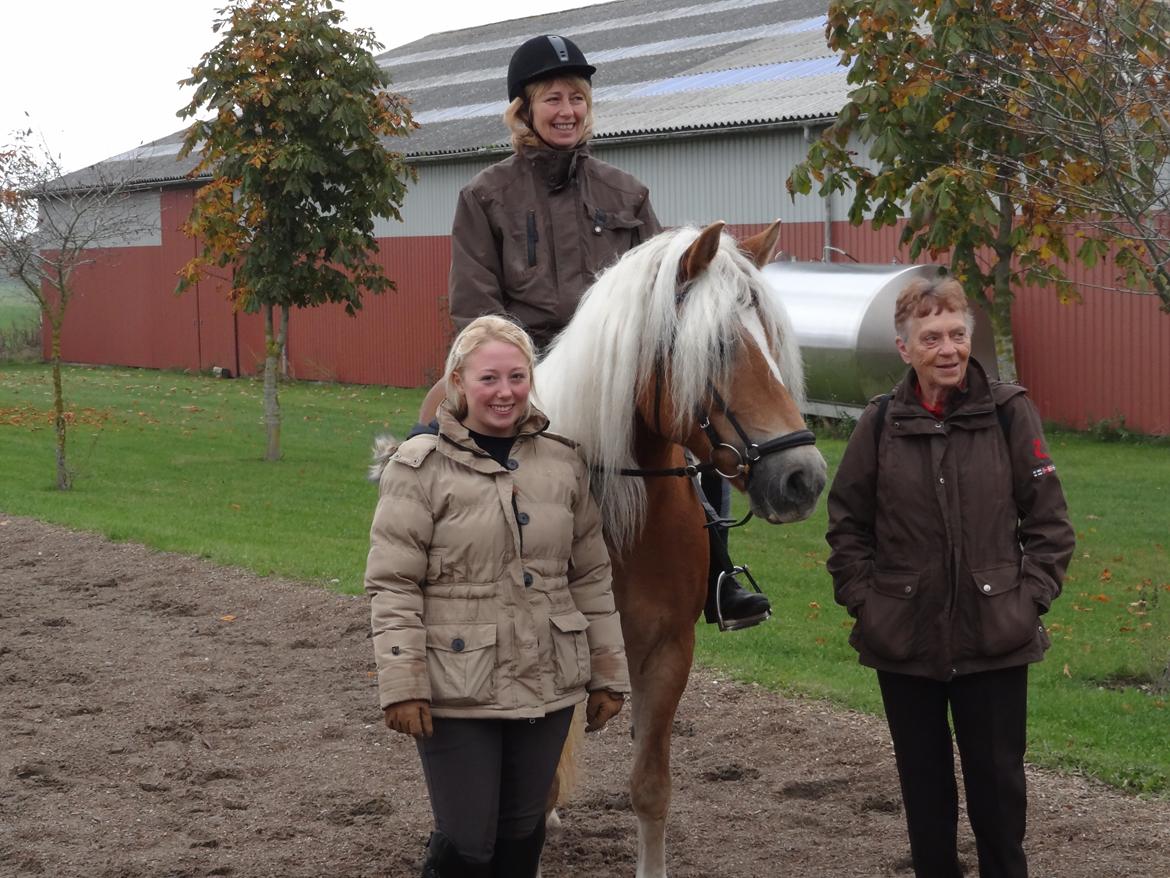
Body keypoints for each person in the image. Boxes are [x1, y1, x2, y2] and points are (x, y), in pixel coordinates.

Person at [424, 32, 769, 630]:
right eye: (553, 99)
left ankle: (718, 570)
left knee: (701, 429)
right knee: (433, 426)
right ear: (523, 110)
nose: (567, 111)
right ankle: (443, 567)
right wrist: (514, 365)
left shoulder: (626, 192)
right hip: (531, 362)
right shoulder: (484, 195)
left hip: (621, 368)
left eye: (577, 98)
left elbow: (670, 290)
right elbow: (476, 303)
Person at [825, 276, 1075, 878]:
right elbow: (847, 526)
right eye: (931, 337)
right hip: (903, 639)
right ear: (904, 348)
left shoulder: (1009, 413)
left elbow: (1050, 524)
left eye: (957, 334)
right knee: (925, 795)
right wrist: (868, 604)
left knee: (999, 798)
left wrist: (1026, 602)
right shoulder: (879, 423)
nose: (948, 350)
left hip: (995, 637)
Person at [365, 315, 629, 878]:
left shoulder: (564, 462)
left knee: (523, 834)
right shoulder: (419, 468)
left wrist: (609, 671)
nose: (504, 391)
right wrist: (402, 682)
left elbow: (590, 577)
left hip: (548, 681)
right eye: (488, 378)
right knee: (467, 844)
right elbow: (394, 583)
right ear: (458, 382)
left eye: (516, 376)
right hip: (457, 684)